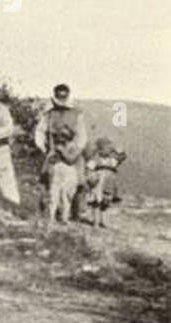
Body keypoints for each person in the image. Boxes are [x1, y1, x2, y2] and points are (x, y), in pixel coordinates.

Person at [34, 83, 89, 219]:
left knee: (79, 181)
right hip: (54, 149)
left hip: (72, 149)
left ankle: (75, 212)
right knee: (48, 179)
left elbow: (82, 134)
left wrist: (76, 149)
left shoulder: (77, 114)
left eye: (64, 96)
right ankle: (50, 211)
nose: (62, 98)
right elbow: (40, 131)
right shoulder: (49, 114)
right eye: (59, 95)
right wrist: (42, 146)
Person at [44, 123, 83, 227]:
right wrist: (53, 155)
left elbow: (71, 160)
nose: (62, 137)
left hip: (69, 171)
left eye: (65, 135)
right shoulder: (57, 146)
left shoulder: (75, 147)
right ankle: (51, 217)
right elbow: (51, 160)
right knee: (54, 193)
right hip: (57, 171)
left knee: (66, 195)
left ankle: (64, 217)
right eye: (61, 135)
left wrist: (62, 152)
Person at [84, 137, 126, 228]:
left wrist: (116, 150)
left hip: (109, 182)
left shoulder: (112, 160)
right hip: (99, 182)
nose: (107, 151)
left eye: (109, 149)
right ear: (99, 150)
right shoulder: (95, 160)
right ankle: (96, 222)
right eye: (104, 149)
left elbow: (122, 158)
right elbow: (88, 169)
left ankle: (104, 221)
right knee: (96, 202)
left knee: (105, 202)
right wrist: (91, 178)